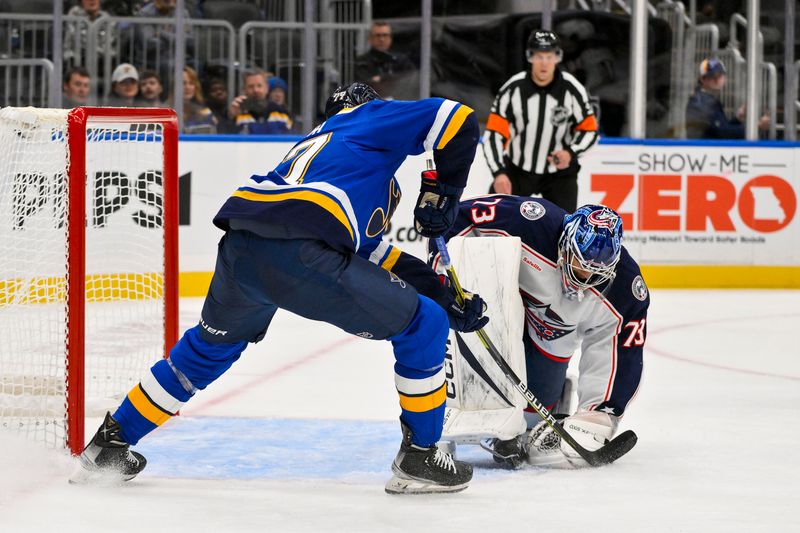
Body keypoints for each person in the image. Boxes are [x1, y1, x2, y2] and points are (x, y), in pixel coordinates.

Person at [71, 83, 488, 495]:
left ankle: (111, 443)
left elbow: (369, 253)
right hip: (301, 251)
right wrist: (445, 195)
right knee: (426, 325)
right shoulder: (366, 116)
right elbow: (460, 120)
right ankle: (421, 454)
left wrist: (440, 290)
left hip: (242, 248)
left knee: (205, 351)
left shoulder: (325, 149)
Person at [428, 196, 648, 468]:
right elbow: (458, 216)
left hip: (552, 339)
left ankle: (556, 395)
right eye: (580, 267)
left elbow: (618, 353)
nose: (585, 281)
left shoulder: (627, 290)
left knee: (532, 417)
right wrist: (439, 274)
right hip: (496, 310)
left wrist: (596, 416)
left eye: (596, 275)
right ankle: (440, 410)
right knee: (462, 346)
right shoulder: (531, 221)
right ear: (565, 246)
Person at [483, 30, 599, 213]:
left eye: (549, 56)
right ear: (530, 57)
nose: (544, 63)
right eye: (539, 56)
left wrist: (570, 152)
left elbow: (590, 130)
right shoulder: (513, 90)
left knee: (565, 228)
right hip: (517, 170)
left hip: (559, 175)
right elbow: (493, 135)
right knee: (494, 219)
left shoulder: (572, 89)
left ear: (557, 57)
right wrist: (499, 172)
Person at [685, 58, 770, 139]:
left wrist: (738, 118)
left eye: (719, 76)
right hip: (705, 151)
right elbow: (724, 133)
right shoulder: (701, 101)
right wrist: (756, 126)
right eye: (712, 77)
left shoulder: (707, 98)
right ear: (702, 79)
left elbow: (721, 128)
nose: (717, 80)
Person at [354, 21, 415, 98]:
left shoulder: (401, 60)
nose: (382, 39)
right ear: (370, 39)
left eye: (385, 35)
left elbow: (410, 79)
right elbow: (366, 84)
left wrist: (382, 78)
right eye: (378, 35)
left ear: (390, 38)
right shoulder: (362, 61)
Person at [229, 68, 292, 134]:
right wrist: (231, 117)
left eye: (259, 86)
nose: (256, 90)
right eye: (251, 86)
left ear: (267, 88)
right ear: (244, 90)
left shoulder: (281, 111)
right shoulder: (237, 111)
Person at [63, 0, 116, 67]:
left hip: (101, 59)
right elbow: (80, 41)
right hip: (77, 57)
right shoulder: (74, 14)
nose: (92, 0)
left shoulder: (105, 17)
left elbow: (109, 41)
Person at [177, 66, 217, 134]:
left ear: (196, 86)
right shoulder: (165, 111)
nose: (187, 87)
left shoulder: (205, 112)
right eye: (183, 83)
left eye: (191, 83)